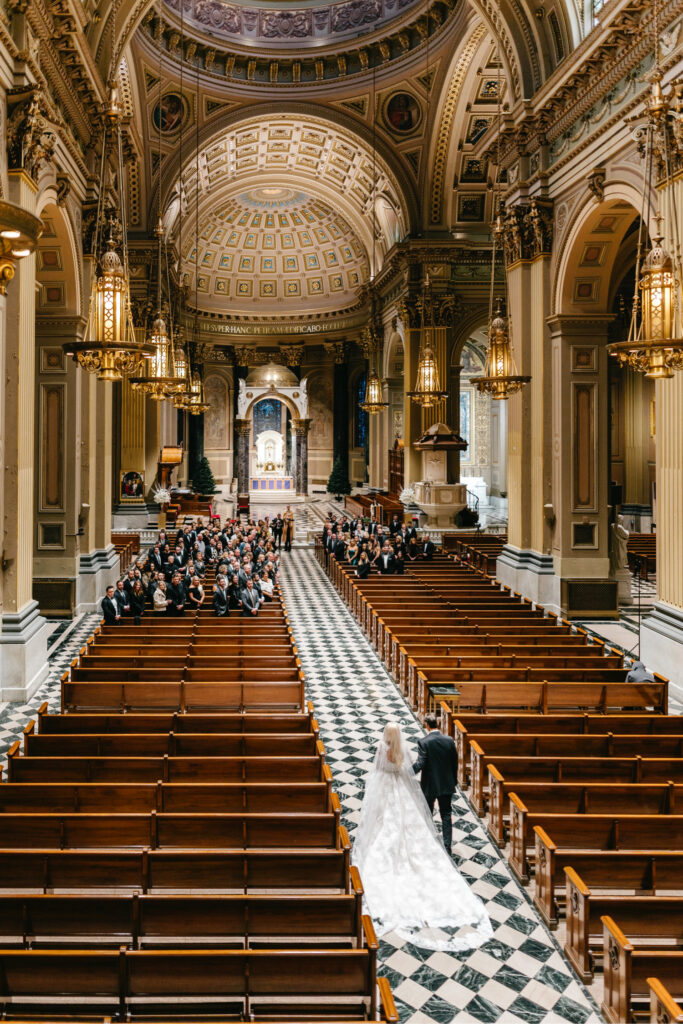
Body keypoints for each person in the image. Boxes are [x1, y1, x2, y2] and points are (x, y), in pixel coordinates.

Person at [353, 722, 492, 952]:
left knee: (386, 823)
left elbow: (385, 770)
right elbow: (411, 767)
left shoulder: (384, 747)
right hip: (424, 786)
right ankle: (445, 846)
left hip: (391, 788)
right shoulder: (413, 747)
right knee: (433, 818)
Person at [413, 713, 458, 855]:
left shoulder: (424, 742)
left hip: (430, 785)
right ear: (437, 724)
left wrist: (406, 773)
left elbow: (420, 764)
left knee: (428, 813)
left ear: (427, 725)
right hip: (446, 784)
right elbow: (454, 763)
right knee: (446, 814)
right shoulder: (449, 740)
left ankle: (428, 843)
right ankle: (447, 846)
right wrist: (453, 781)